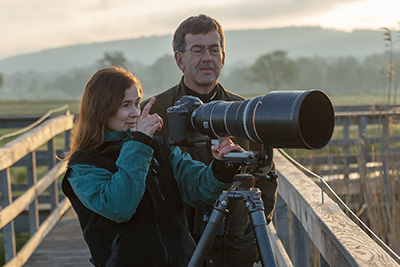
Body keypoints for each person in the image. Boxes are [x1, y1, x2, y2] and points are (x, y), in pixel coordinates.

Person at [61, 67, 245, 266]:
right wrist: (139, 143)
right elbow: (120, 206)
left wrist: (221, 166)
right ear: (101, 110)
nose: (135, 113)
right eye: (125, 105)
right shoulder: (84, 165)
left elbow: (198, 186)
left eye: (137, 103)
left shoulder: (157, 146)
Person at [141, 14, 278, 266]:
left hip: (234, 250)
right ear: (179, 59)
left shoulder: (246, 113)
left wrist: (251, 231)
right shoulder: (153, 113)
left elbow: (266, 174)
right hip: (173, 252)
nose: (207, 57)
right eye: (197, 50)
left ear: (223, 58)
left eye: (214, 50)